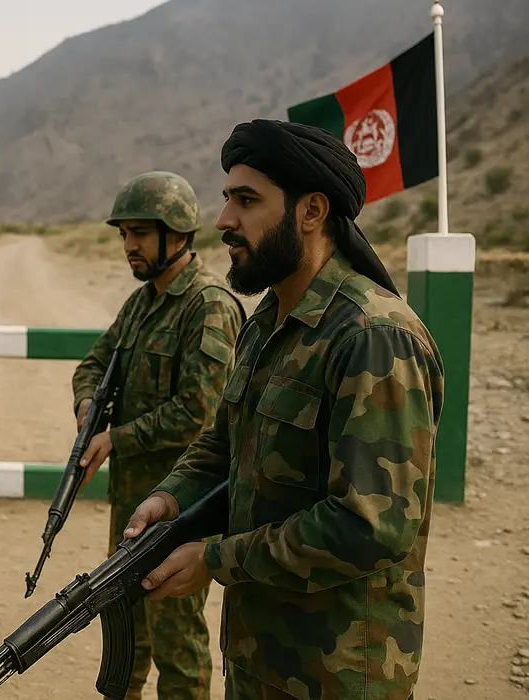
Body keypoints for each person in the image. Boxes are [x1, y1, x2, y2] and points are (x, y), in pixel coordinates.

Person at [122, 119, 445, 700]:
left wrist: (217, 558)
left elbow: (370, 525)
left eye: (247, 201)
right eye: (226, 199)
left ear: (312, 212)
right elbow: (222, 447)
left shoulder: (372, 336)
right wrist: (168, 496)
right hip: (257, 659)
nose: (224, 221)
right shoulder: (267, 323)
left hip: (338, 672)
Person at [70, 171, 246, 700]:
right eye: (123, 234)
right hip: (133, 500)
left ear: (178, 235)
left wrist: (118, 437)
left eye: (140, 233)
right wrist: (87, 405)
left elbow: (200, 410)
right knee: (124, 621)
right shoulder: (144, 302)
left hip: (180, 506)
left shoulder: (208, 305)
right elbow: (93, 363)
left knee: (176, 639)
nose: (129, 246)